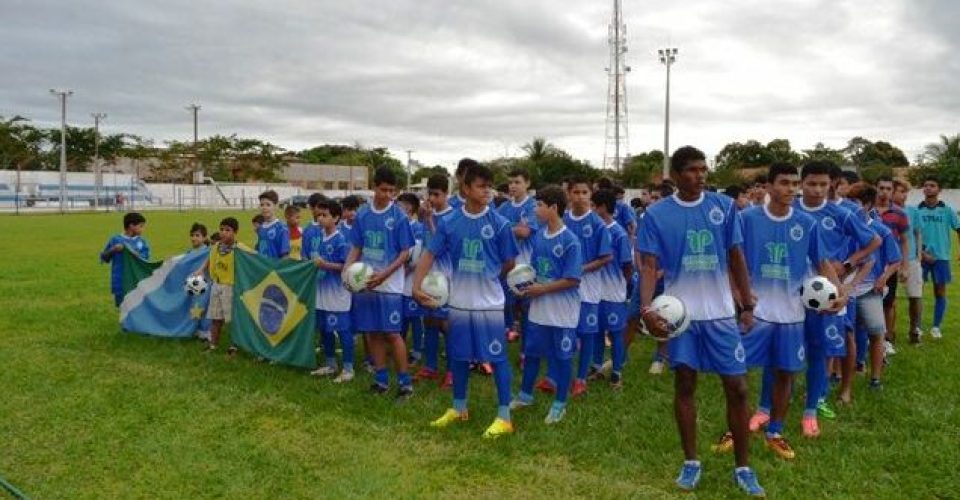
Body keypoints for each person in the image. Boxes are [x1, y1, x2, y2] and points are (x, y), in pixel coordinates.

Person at [637, 146, 764, 496]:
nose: (700, 176)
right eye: (692, 170)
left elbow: (736, 255)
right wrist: (646, 308)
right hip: (682, 317)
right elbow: (648, 266)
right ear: (676, 175)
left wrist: (747, 303)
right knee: (685, 385)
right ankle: (691, 462)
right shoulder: (657, 214)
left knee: (737, 388)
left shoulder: (723, 207)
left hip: (722, 315)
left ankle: (743, 467)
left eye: (704, 170)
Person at [713, 163, 844, 462]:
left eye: (794, 183)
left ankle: (775, 431)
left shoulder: (806, 224)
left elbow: (822, 262)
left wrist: (839, 292)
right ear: (769, 186)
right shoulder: (747, 219)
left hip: (792, 316)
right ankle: (735, 429)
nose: (791, 189)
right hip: (754, 313)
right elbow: (731, 259)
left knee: (786, 374)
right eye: (784, 182)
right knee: (737, 373)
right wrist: (738, 295)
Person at [412, 163, 519, 438]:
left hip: (489, 306)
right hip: (458, 304)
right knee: (458, 357)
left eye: (489, 186)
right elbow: (428, 255)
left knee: (497, 359)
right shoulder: (449, 222)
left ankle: (504, 416)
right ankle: (459, 408)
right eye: (482, 186)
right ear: (466, 189)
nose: (488, 191)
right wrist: (415, 285)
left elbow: (509, 262)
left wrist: (489, 276)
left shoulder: (500, 224)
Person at [774, 161, 878, 431]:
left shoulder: (841, 213)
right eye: (811, 183)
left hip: (828, 289)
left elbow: (873, 241)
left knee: (828, 346)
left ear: (831, 184)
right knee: (792, 343)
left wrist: (847, 264)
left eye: (823, 184)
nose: (818, 189)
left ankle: (818, 400)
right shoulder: (791, 209)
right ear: (802, 182)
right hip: (791, 288)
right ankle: (785, 393)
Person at [510, 185, 582, 425]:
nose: (536, 209)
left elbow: (572, 279)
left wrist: (542, 288)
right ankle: (525, 396)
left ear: (553, 208)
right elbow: (533, 270)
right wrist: (523, 284)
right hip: (539, 309)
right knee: (531, 353)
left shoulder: (571, 241)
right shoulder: (539, 236)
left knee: (562, 358)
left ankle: (560, 405)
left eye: (539, 205)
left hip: (563, 313)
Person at [343, 166, 415, 399]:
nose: (388, 195)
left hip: (389, 286)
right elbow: (356, 246)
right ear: (375, 187)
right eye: (384, 190)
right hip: (366, 283)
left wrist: (385, 274)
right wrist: (346, 272)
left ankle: (405, 383)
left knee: (392, 334)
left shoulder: (399, 217)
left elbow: (405, 253)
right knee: (372, 332)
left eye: (392, 191)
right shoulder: (363, 214)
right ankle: (381, 379)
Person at [847, 182, 901, 389]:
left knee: (876, 333)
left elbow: (895, 260)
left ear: (868, 204)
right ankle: (838, 375)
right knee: (845, 334)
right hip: (845, 290)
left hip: (870, 290)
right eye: (848, 201)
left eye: (855, 202)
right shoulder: (843, 227)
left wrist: (883, 277)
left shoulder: (881, 231)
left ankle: (875, 378)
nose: (850, 206)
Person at [562, 177, 612, 398]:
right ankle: (557, 376)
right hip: (564, 287)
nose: (580, 196)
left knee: (587, 333)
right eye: (576, 192)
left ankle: (581, 378)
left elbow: (606, 257)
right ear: (569, 195)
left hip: (589, 289)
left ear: (590, 195)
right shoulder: (563, 220)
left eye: (584, 192)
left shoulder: (598, 224)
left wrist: (580, 268)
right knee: (564, 330)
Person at [303, 197, 355, 382]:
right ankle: (330, 364)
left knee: (342, 330)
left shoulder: (341, 240)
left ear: (336, 218)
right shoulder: (319, 238)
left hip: (337, 294)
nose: (320, 219)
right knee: (325, 329)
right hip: (320, 293)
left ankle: (348, 368)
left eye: (324, 215)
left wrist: (325, 265)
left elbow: (346, 266)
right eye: (319, 215)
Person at [415, 174, 456, 388]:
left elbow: (442, 248)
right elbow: (425, 247)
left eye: (437, 194)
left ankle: (452, 370)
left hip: (447, 278)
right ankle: (430, 366)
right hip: (428, 277)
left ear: (446, 194)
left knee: (447, 324)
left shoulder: (453, 217)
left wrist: (430, 222)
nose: (432, 198)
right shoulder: (425, 215)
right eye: (429, 194)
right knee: (429, 320)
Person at [589, 189, 633, 388]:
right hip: (594, 292)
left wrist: (621, 286)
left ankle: (616, 372)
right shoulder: (592, 230)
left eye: (592, 205)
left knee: (615, 334)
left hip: (613, 294)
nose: (589, 209)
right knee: (597, 331)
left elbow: (627, 265)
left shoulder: (619, 234)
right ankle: (597, 367)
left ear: (602, 208)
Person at [915, 176, 960, 339]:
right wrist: (923, 253)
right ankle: (917, 327)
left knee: (940, 292)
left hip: (941, 258)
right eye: (926, 185)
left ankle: (936, 327)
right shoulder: (917, 210)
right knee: (917, 293)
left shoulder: (947, 210)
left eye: (932, 185)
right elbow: (912, 235)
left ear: (939, 190)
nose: (928, 188)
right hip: (921, 257)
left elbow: (959, 228)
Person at [497, 167, 538, 344]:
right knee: (505, 305)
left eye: (517, 182)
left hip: (526, 268)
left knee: (527, 309)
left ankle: (526, 353)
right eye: (510, 182)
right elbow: (493, 232)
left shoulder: (533, 206)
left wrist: (507, 229)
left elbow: (525, 232)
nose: (512, 186)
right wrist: (514, 229)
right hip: (506, 265)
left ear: (527, 184)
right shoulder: (504, 207)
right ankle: (507, 334)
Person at [200, 217, 250, 354]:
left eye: (228, 230)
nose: (223, 233)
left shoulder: (240, 249)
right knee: (216, 317)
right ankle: (213, 345)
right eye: (221, 229)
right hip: (217, 285)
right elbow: (210, 259)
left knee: (232, 319)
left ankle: (234, 346)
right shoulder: (216, 247)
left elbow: (254, 260)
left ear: (235, 232)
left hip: (231, 286)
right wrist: (201, 270)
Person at [874, 176, 909, 354]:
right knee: (868, 302)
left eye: (888, 189)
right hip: (869, 266)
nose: (884, 192)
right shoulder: (866, 210)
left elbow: (904, 241)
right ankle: (868, 339)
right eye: (882, 187)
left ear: (892, 191)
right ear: (876, 188)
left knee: (888, 303)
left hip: (890, 266)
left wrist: (905, 265)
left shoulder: (899, 214)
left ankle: (886, 339)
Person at [893, 180, 924, 343]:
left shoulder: (913, 211)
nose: (903, 195)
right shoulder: (886, 212)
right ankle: (889, 334)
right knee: (890, 300)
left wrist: (919, 255)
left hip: (911, 260)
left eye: (905, 192)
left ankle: (915, 330)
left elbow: (918, 233)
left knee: (915, 297)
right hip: (891, 262)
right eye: (899, 191)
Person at [397, 192, 426, 364]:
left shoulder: (418, 228)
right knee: (401, 318)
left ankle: (416, 351)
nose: (398, 207)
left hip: (411, 281)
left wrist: (405, 270)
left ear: (410, 208)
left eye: (401, 205)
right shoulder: (396, 225)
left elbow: (417, 256)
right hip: (395, 279)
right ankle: (398, 347)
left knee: (415, 317)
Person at [100, 212, 150, 307]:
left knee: (136, 307)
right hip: (120, 281)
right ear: (131, 226)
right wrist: (113, 250)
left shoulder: (142, 242)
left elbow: (145, 260)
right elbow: (104, 257)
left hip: (136, 281)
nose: (142, 229)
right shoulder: (115, 240)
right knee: (123, 307)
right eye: (141, 226)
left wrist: (133, 253)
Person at [255, 190, 290, 259]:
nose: (264, 208)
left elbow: (285, 256)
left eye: (268, 204)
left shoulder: (281, 228)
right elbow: (258, 251)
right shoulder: (261, 228)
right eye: (262, 205)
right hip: (263, 268)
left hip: (274, 269)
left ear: (276, 206)